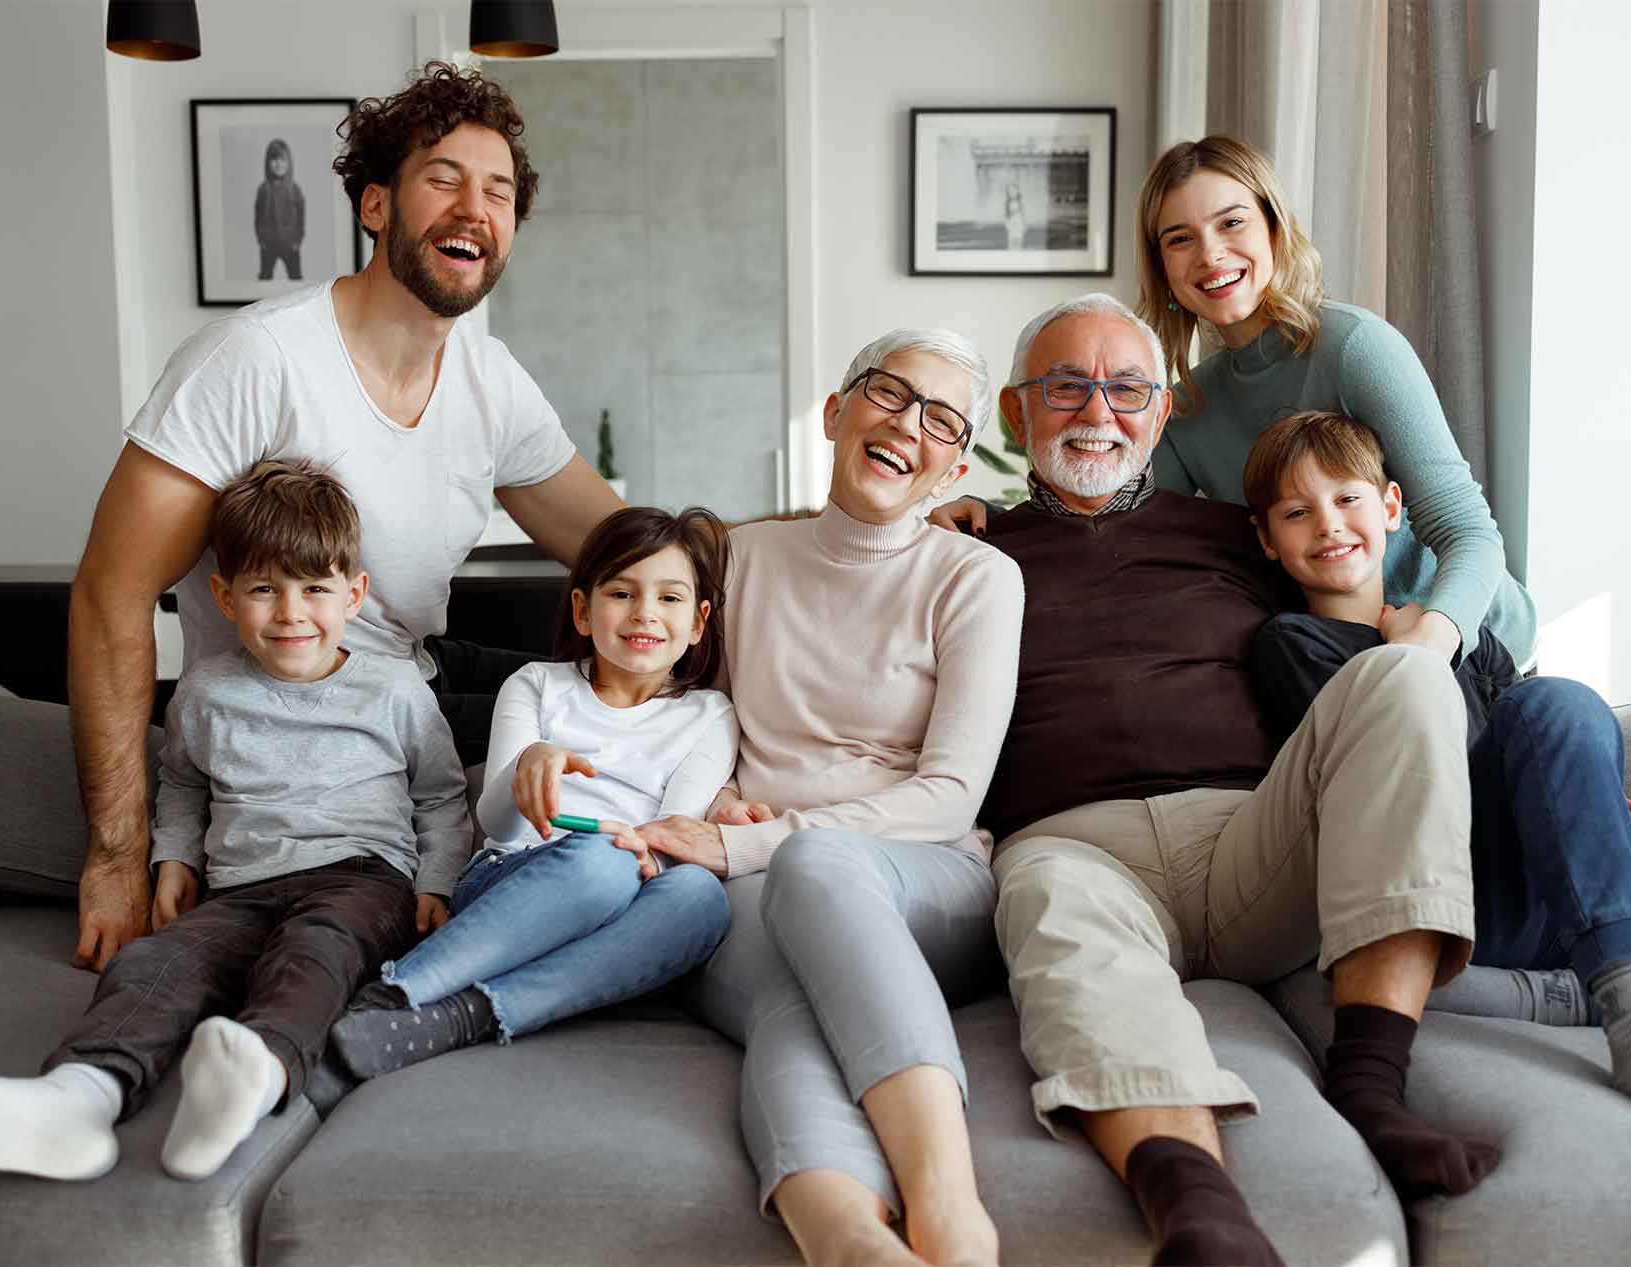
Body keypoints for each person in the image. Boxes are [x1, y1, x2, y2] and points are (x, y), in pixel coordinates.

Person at [70, 62, 623, 976]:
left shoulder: (490, 381)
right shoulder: (254, 360)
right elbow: (109, 593)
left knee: (621, 702)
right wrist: (119, 855)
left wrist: (825, 536)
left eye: (497, 192)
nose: (474, 209)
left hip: (409, 684)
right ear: (375, 206)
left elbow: (629, 547)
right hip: (287, 714)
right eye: (443, 179)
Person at [980, 293, 1497, 1267]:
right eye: (1066, 385)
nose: (1098, 411)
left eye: (1128, 388)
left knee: (1403, 670)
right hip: (1074, 848)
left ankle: (1372, 1091)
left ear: (1163, 411)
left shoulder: (1239, 533)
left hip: (1254, 834)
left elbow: (1414, 606)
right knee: (1046, 894)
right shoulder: (964, 552)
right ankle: (1195, 1203)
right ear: (1016, 412)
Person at [0, 460, 470, 1183]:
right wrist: (174, 859)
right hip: (240, 889)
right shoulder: (205, 692)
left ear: (353, 594)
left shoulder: (394, 688)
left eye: (315, 589)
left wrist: (436, 881)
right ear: (225, 596)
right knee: (155, 964)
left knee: (314, 955)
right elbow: (185, 782)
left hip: (361, 880)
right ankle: (75, 1099)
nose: (291, 613)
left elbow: (440, 795)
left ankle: (251, 1078)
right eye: (264, 589)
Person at [1240, 410, 1631, 1136]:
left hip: (1575, 891)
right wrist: (1407, 647)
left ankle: (1568, 994)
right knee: (1552, 700)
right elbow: (1388, 773)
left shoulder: (1470, 637)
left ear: (1392, 507)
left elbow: (1561, 767)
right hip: (1468, 896)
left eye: (1347, 498)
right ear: (1268, 539)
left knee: (1554, 707)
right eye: (1297, 513)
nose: (1329, 524)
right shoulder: (1292, 644)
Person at [633, 330, 1025, 1266]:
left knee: (815, 862)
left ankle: (949, 1210)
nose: (908, 424)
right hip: (752, 887)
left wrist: (755, 840)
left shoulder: (976, 578)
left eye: (941, 419)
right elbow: (690, 722)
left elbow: (948, 794)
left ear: (956, 467)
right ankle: (850, 1242)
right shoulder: (736, 558)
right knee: (792, 997)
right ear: (836, 412)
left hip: (922, 878)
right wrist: (719, 798)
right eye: (888, 394)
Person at [931, 134, 1534, 671]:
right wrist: (987, 516)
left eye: (1232, 223)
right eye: (1180, 239)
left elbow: (1466, 529)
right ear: (1163, 268)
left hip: (1471, 643)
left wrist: (1428, 644)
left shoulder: (1354, 347)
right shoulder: (1188, 405)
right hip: (1344, 660)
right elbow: (1103, 511)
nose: (1211, 254)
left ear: (1274, 229)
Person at [329, 506, 736, 1078]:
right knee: (601, 862)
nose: (645, 612)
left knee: (700, 897)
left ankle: (467, 1015)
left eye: (669, 598)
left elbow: (670, 839)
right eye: (622, 593)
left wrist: (633, 852)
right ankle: (395, 995)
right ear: (583, 610)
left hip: (631, 886)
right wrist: (526, 769)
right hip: (512, 875)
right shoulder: (537, 685)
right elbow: (497, 825)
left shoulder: (710, 715)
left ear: (697, 622)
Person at [254, 138, 305, 281]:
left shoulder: (294, 189)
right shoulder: (263, 189)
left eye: (282, 160)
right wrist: (262, 239)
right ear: (267, 163)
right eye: (274, 160)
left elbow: (301, 218)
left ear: (288, 162)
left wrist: (297, 240)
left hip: (290, 245)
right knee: (265, 277)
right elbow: (258, 217)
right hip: (268, 245)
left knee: (295, 277)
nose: (278, 164)